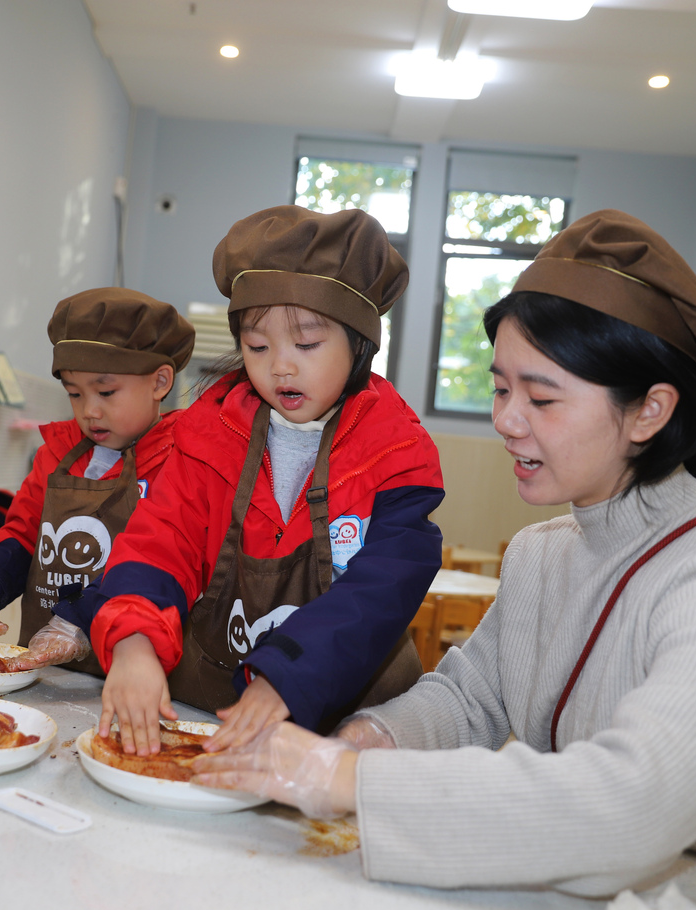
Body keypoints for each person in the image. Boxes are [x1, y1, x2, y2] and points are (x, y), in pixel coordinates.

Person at [192, 209, 696, 895]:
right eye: (502, 387)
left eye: (541, 397)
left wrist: (345, 779)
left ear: (650, 411)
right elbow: (468, 699)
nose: (506, 420)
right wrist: (362, 741)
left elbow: (636, 800)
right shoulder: (542, 555)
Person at [68, 205, 444, 755]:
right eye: (258, 346)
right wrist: (134, 641)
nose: (280, 367)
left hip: (347, 726)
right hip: (212, 709)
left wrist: (287, 675)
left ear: (360, 343)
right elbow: (162, 539)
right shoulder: (209, 432)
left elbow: (381, 590)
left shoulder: (397, 454)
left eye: (307, 345)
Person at [0, 288, 195, 675]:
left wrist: (77, 619)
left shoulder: (181, 460)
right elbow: (21, 532)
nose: (89, 410)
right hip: (42, 664)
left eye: (106, 392)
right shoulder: (58, 451)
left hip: (131, 673)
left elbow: (161, 559)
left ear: (160, 382)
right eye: (74, 393)